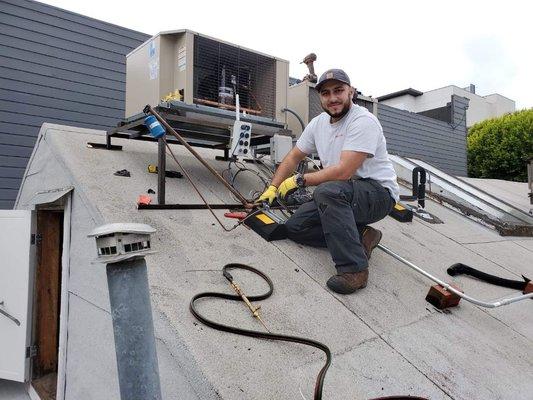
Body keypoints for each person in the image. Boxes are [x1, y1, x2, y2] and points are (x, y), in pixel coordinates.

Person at [257, 69, 400, 294]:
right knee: (295, 227)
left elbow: (343, 172)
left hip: (378, 194)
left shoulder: (363, 121)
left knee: (326, 191)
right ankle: (363, 234)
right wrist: (273, 187)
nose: (332, 98)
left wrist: (300, 180)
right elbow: (294, 156)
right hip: (343, 193)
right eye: (326, 93)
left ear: (351, 92)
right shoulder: (319, 124)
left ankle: (355, 270)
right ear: (320, 97)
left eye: (339, 90)